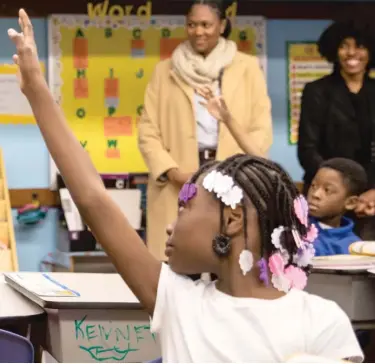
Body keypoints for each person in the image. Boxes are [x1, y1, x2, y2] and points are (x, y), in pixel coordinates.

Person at [9, 10, 363, 361]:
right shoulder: (176, 299)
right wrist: (37, 90)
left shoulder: (321, 321)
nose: (169, 224)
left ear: (232, 220)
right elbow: (92, 198)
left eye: (185, 208)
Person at [138, 0, 272, 260]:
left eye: (206, 25)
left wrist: (237, 171)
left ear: (221, 26)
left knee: (229, 262)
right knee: (178, 265)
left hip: (233, 180)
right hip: (178, 183)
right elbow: (147, 132)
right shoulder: (164, 70)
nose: (198, 31)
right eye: (192, 25)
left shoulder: (247, 67)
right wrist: (174, 172)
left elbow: (260, 129)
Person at [297, 16, 375, 235]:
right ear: (334, 50)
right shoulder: (316, 91)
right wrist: (340, 192)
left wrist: (371, 193)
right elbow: (307, 150)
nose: (352, 53)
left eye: (360, 46)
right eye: (344, 46)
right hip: (327, 201)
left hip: (370, 202)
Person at [307, 158, 367, 256]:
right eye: (313, 186)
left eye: (327, 190)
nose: (315, 194)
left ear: (350, 203)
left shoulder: (354, 248)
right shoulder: (294, 230)